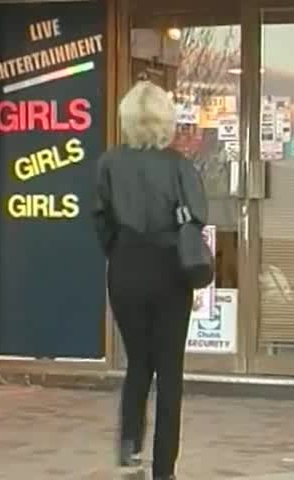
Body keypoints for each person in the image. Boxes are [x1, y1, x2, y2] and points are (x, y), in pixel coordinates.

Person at [92, 79, 207, 480]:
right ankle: (164, 468)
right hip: (171, 270)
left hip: (126, 268)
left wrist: (120, 249)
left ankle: (129, 447)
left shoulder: (108, 163)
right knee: (169, 370)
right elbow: (198, 215)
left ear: (128, 119)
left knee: (138, 361)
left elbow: (100, 219)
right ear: (165, 120)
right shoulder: (178, 166)